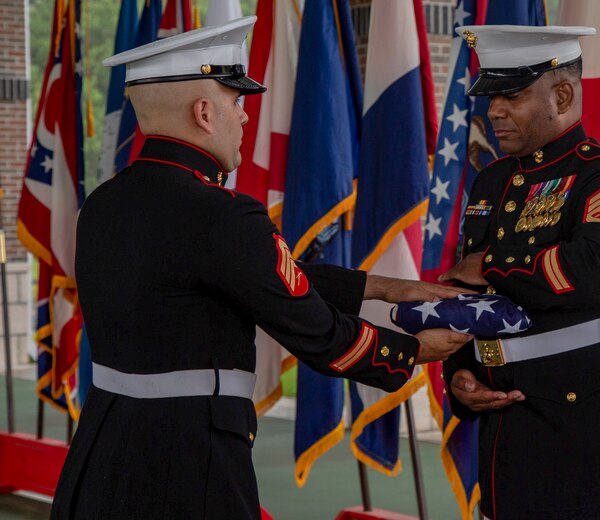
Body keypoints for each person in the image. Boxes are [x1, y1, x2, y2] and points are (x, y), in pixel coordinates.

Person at [50, 17, 471, 519]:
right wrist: (416, 350)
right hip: (189, 459)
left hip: (103, 443)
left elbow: (242, 277)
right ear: (204, 112)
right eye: (236, 101)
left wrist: (382, 287)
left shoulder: (104, 204)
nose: (246, 117)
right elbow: (321, 336)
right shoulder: (220, 215)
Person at [438, 26, 600, 520]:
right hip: (509, 440)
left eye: (512, 95)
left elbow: (598, 273)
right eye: (490, 96)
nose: (494, 111)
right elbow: (467, 296)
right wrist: (459, 373)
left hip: (592, 435)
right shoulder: (492, 181)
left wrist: (492, 264)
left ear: (562, 94)